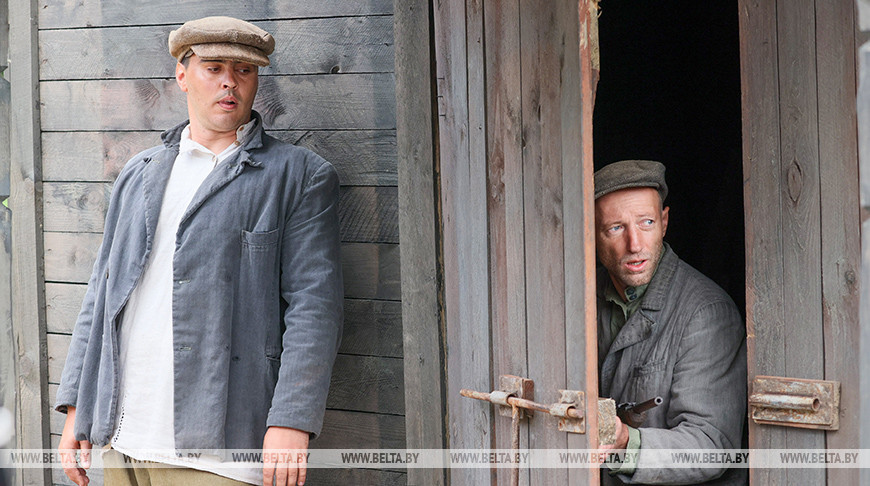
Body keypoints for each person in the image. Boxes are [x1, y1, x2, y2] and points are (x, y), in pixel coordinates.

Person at [54, 16, 343, 486]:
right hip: (121, 438)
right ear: (182, 75)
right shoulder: (139, 172)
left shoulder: (299, 176)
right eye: (214, 68)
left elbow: (315, 307)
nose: (230, 81)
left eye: (244, 70)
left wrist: (292, 418)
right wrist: (76, 408)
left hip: (222, 448)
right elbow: (100, 297)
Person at [594, 160, 746, 485]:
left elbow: (710, 444)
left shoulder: (706, 312)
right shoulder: (578, 300)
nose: (635, 244)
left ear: (664, 222)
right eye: (616, 228)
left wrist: (627, 443)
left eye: (646, 222)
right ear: (591, 231)